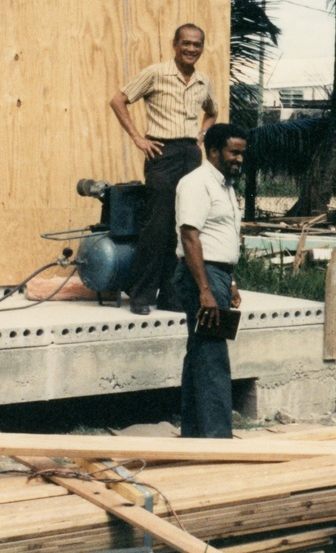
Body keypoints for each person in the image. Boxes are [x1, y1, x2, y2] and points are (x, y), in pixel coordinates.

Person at [110, 24, 218, 315]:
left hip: (190, 155)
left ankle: (170, 295)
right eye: (186, 43)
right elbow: (118, 100)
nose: (191, 49)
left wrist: (202, 134)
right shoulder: (156, 73)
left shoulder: (203, 81)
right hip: (162, 152)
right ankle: (141, 295)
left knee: (184, 225)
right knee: (156, 225)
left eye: (197, 44)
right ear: (175, 44)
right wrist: (137, 137)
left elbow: (213, 111)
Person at [172, 123, 247, 438]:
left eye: (242, 153)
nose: (239, 159)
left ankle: (193, 434)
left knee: (199, 353)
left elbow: (219, 237)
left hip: (217, 275)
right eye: (234, 152)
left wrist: (228, 281)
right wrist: (205, 290)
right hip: (200, 276)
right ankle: (218, 439)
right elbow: (190, 236)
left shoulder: (226, 187)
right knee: (213, 357)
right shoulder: (196, 183)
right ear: (213, 150)